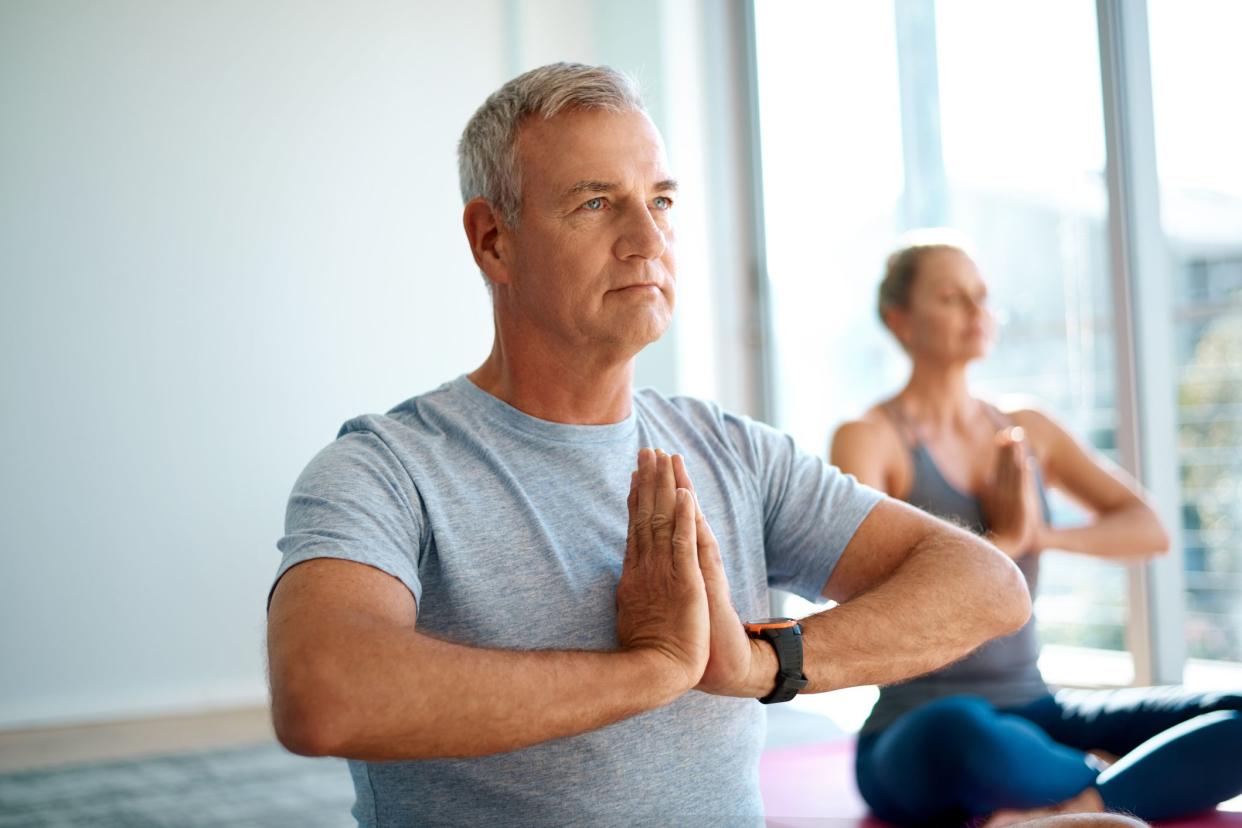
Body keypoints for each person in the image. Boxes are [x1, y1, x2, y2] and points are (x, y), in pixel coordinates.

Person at [262, 65, 1039, 827]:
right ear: (493, 240)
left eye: (660, 201)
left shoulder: (733, 451)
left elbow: (988, 586)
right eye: (596, 203)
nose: (646, 240)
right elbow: (324, 692)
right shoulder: (385, 468)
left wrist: (758, 664)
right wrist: (649, 670)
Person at [831, 234, 1242, 826]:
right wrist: (1005, 544)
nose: (977, 312)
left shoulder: (1026, 427)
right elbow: (855, 585)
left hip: (1036, 705)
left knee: (1233, 710)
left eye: (982, 296)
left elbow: (1148, 528)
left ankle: (1078, 806)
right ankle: (1120, 780)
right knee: (968, 733)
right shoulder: (870, 438)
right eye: (952, 297)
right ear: (900, 322)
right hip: (919, 724)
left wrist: (1042, 538)